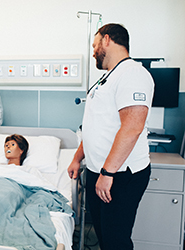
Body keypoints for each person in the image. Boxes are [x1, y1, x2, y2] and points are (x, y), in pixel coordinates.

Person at [67, 23, 154, 250]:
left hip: (120, 175)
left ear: (107, 40)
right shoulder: (107, 78)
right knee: (105, 238)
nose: (94, 51)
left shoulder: (133, 74)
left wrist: (107, 173)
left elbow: (132, 128)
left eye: (95, 45)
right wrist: (77, 158)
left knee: (116, 241)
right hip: (101, 173)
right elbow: (96, 126)